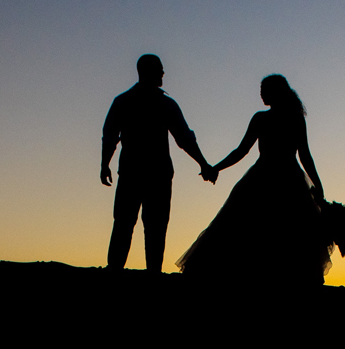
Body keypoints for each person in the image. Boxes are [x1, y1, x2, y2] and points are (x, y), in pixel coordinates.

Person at [176, 74, 329, 285]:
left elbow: (303, 154)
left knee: (270, 229)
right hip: (283, 179)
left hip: (270, 179)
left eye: (264, 90)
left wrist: (317, 183)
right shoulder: (281, 119)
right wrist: (216, 167)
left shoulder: (271, 119)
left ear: (275, 92)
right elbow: (242, 151)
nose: (261, 95)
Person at [101, 54, 215, 274]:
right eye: (159, 69)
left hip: (135, 172)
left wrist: (105, 164)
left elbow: (110, 136)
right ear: (149, 72)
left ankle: (117, 270)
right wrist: (203, 164)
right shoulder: (164, 104)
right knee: (150, 225)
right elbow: (184, 138)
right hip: (154, 174)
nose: (163, 73)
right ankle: (148, 272)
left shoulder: (124, 101)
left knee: (128, 223)